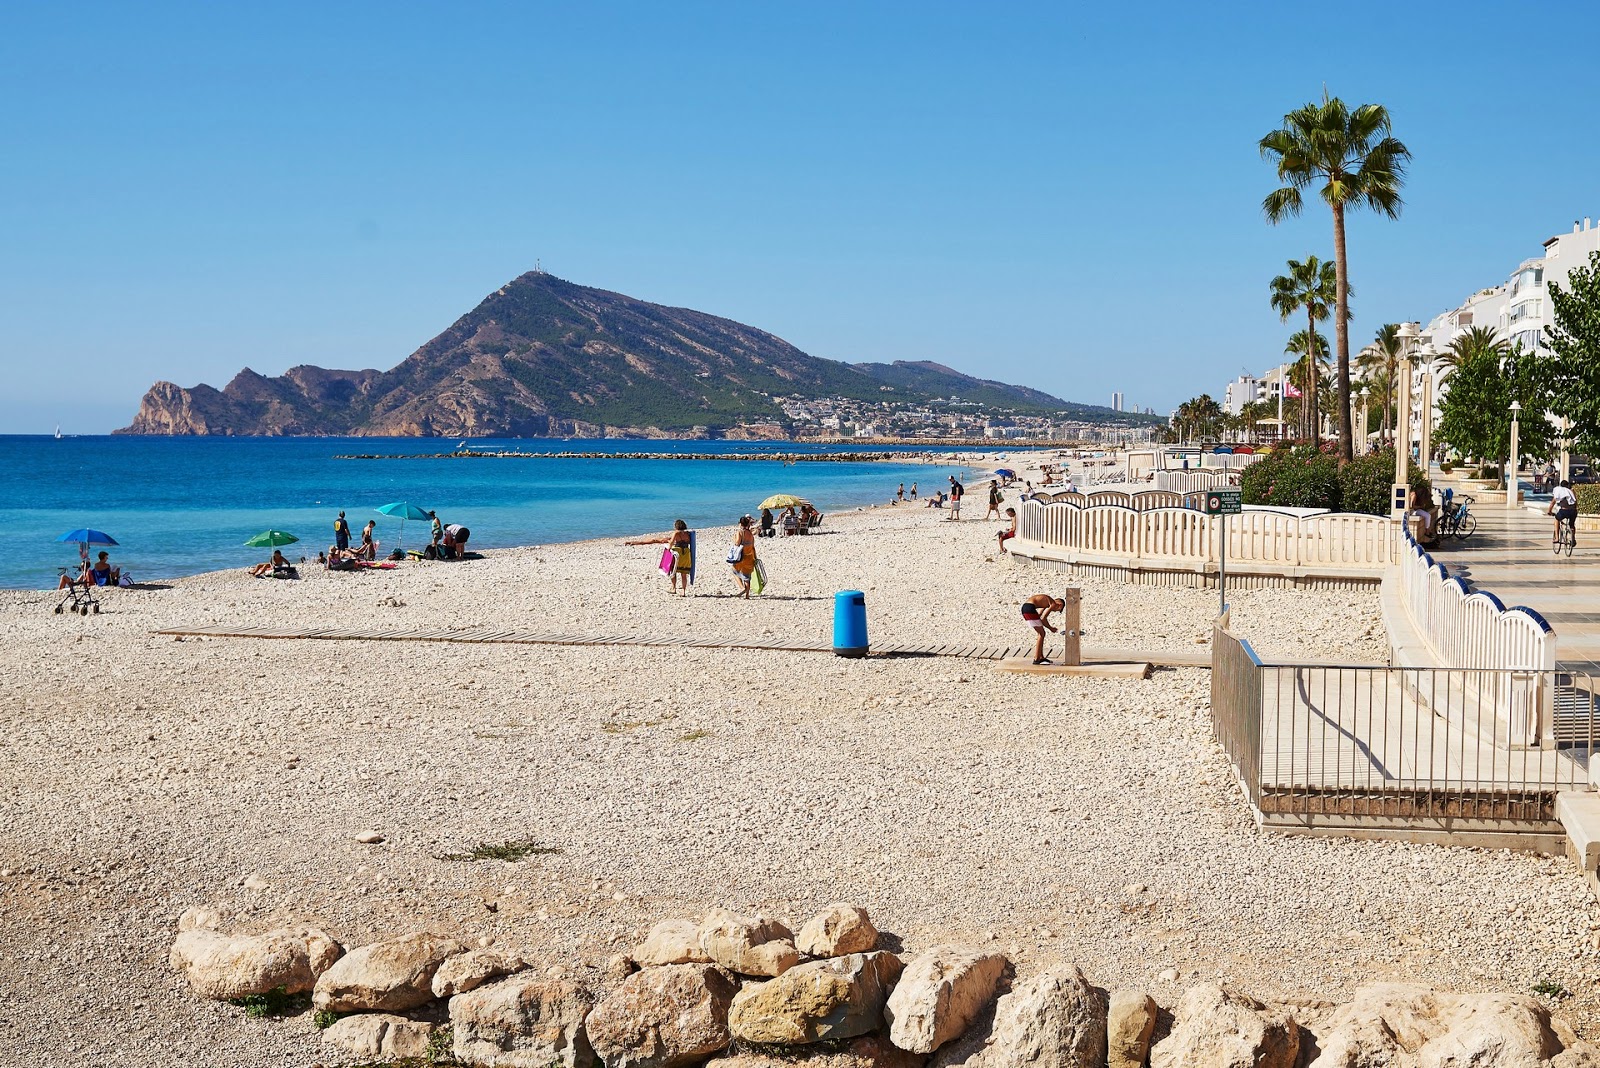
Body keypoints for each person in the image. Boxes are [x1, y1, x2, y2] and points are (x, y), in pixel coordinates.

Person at [1021, 594, 1065, 665]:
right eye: (1057, 610)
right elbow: (1043, 619)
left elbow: (1040, 615)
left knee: (1041, 633)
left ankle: (1041, 657)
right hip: (1030, 608)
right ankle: (1037, 658)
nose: (1054, 611)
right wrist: (1051, 628)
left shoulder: (1047, 602)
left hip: (1025, 608)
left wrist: (1047, 626)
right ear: (1059, 605)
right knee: (1041, 634)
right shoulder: (1053, 603)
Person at [729, 514, 757, 597]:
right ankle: (747, 594)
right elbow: (752, 546)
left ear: (740, 524)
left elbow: (737, 543)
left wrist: (734, 539)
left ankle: (742, 588)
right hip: (750, 555)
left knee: (734, 571)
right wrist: (755, 557)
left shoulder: (740, 532)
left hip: (741, 556)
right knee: (747, 576)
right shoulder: (750, 533)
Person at [669, 519, 694, 594]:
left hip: (678, 553)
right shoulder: (688, 534)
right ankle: (683, 591)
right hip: (686, 553)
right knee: (684, 573)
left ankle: (673, 588)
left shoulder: (676, 533)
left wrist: (669, 543)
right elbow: (690, 543)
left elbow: (671, 544)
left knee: (673, 571)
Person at [1550, 479, 1579, 545]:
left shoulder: (1560, 491)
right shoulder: (1571, 491)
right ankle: (1573, 539)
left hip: (1564, 511)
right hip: (1573, 511)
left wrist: (1549, 512)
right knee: (1572, 525)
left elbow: (1552, 503)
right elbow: (1576, 502)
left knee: (1557, 520)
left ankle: (1557, 538)